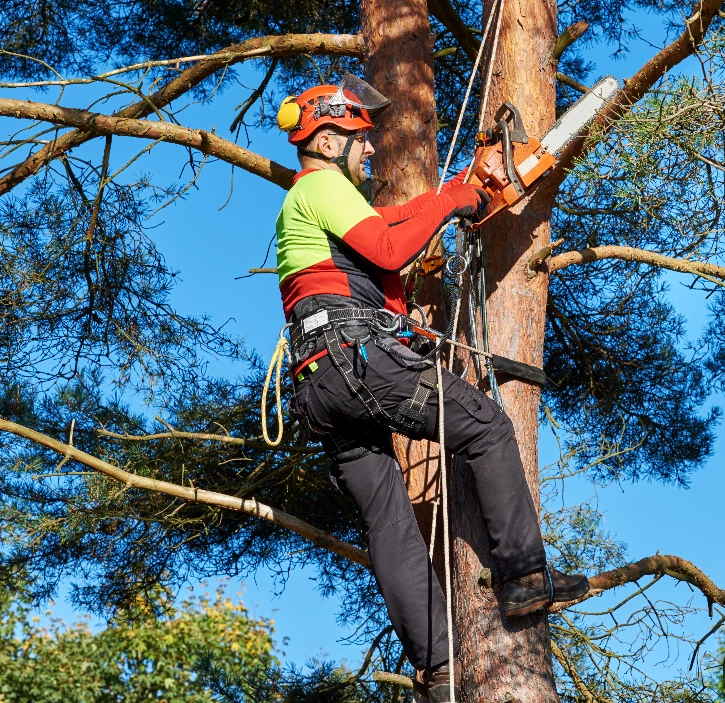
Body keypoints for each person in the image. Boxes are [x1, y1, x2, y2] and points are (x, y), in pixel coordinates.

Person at [275, 75, 589, 702]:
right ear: (330, 138)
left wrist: (457, 195)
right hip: (353, 358)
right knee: (487, 428)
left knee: (389, 523)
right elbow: (390, 247)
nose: (369, 151)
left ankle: (439, 672)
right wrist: (453, 200)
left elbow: (385, 232)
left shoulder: (316, 208)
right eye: (361, 140)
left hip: (318, 385)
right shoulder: (323, 187)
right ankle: (523, 575)